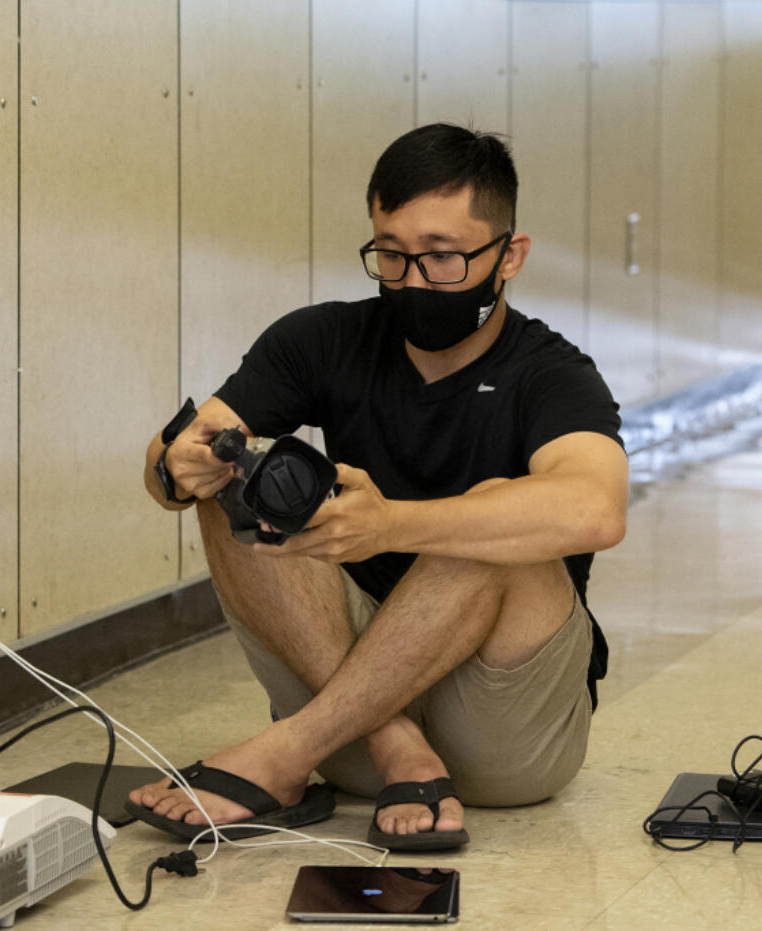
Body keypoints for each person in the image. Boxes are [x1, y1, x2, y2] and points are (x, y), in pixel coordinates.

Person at [126, 123, 629, 851]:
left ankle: (286, 755)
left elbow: (596, 509)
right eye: (391, 255)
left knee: (490, 519)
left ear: (508, 256)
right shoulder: (321, 340)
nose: (414, 281)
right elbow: (186, 446)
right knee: (241, 477)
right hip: (353, 715)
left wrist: (394, 524)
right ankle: (392, 743)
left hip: (503, 738)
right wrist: (176, 466)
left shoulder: (553, 375)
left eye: (443, 257)